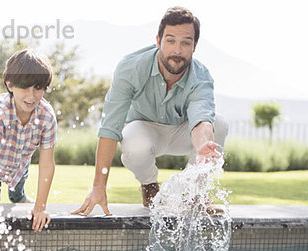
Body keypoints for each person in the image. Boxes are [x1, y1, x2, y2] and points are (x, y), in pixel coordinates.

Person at [73, 6, 228, 217]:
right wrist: (99, 187)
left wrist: (202, 147)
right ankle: (149, 187)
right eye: (170, 40)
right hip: (145, 129)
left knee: (219, 124)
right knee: (131, 141)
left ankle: (195, 195)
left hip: (183, 131)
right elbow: (110, 128)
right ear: (158, 40)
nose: (177, 50)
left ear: (195, 46)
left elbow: (202, 120)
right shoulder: (131, 68)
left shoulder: (201, 77)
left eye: (186, 43)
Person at [0, 48, 57, 232]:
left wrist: (40, 208)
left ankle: (18, 194)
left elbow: (47, 163)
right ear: (10, 85)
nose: (31, 96)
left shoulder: (47, 116)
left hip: (20, 154)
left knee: (17, 193)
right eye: (24, 87)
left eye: (38, 88)